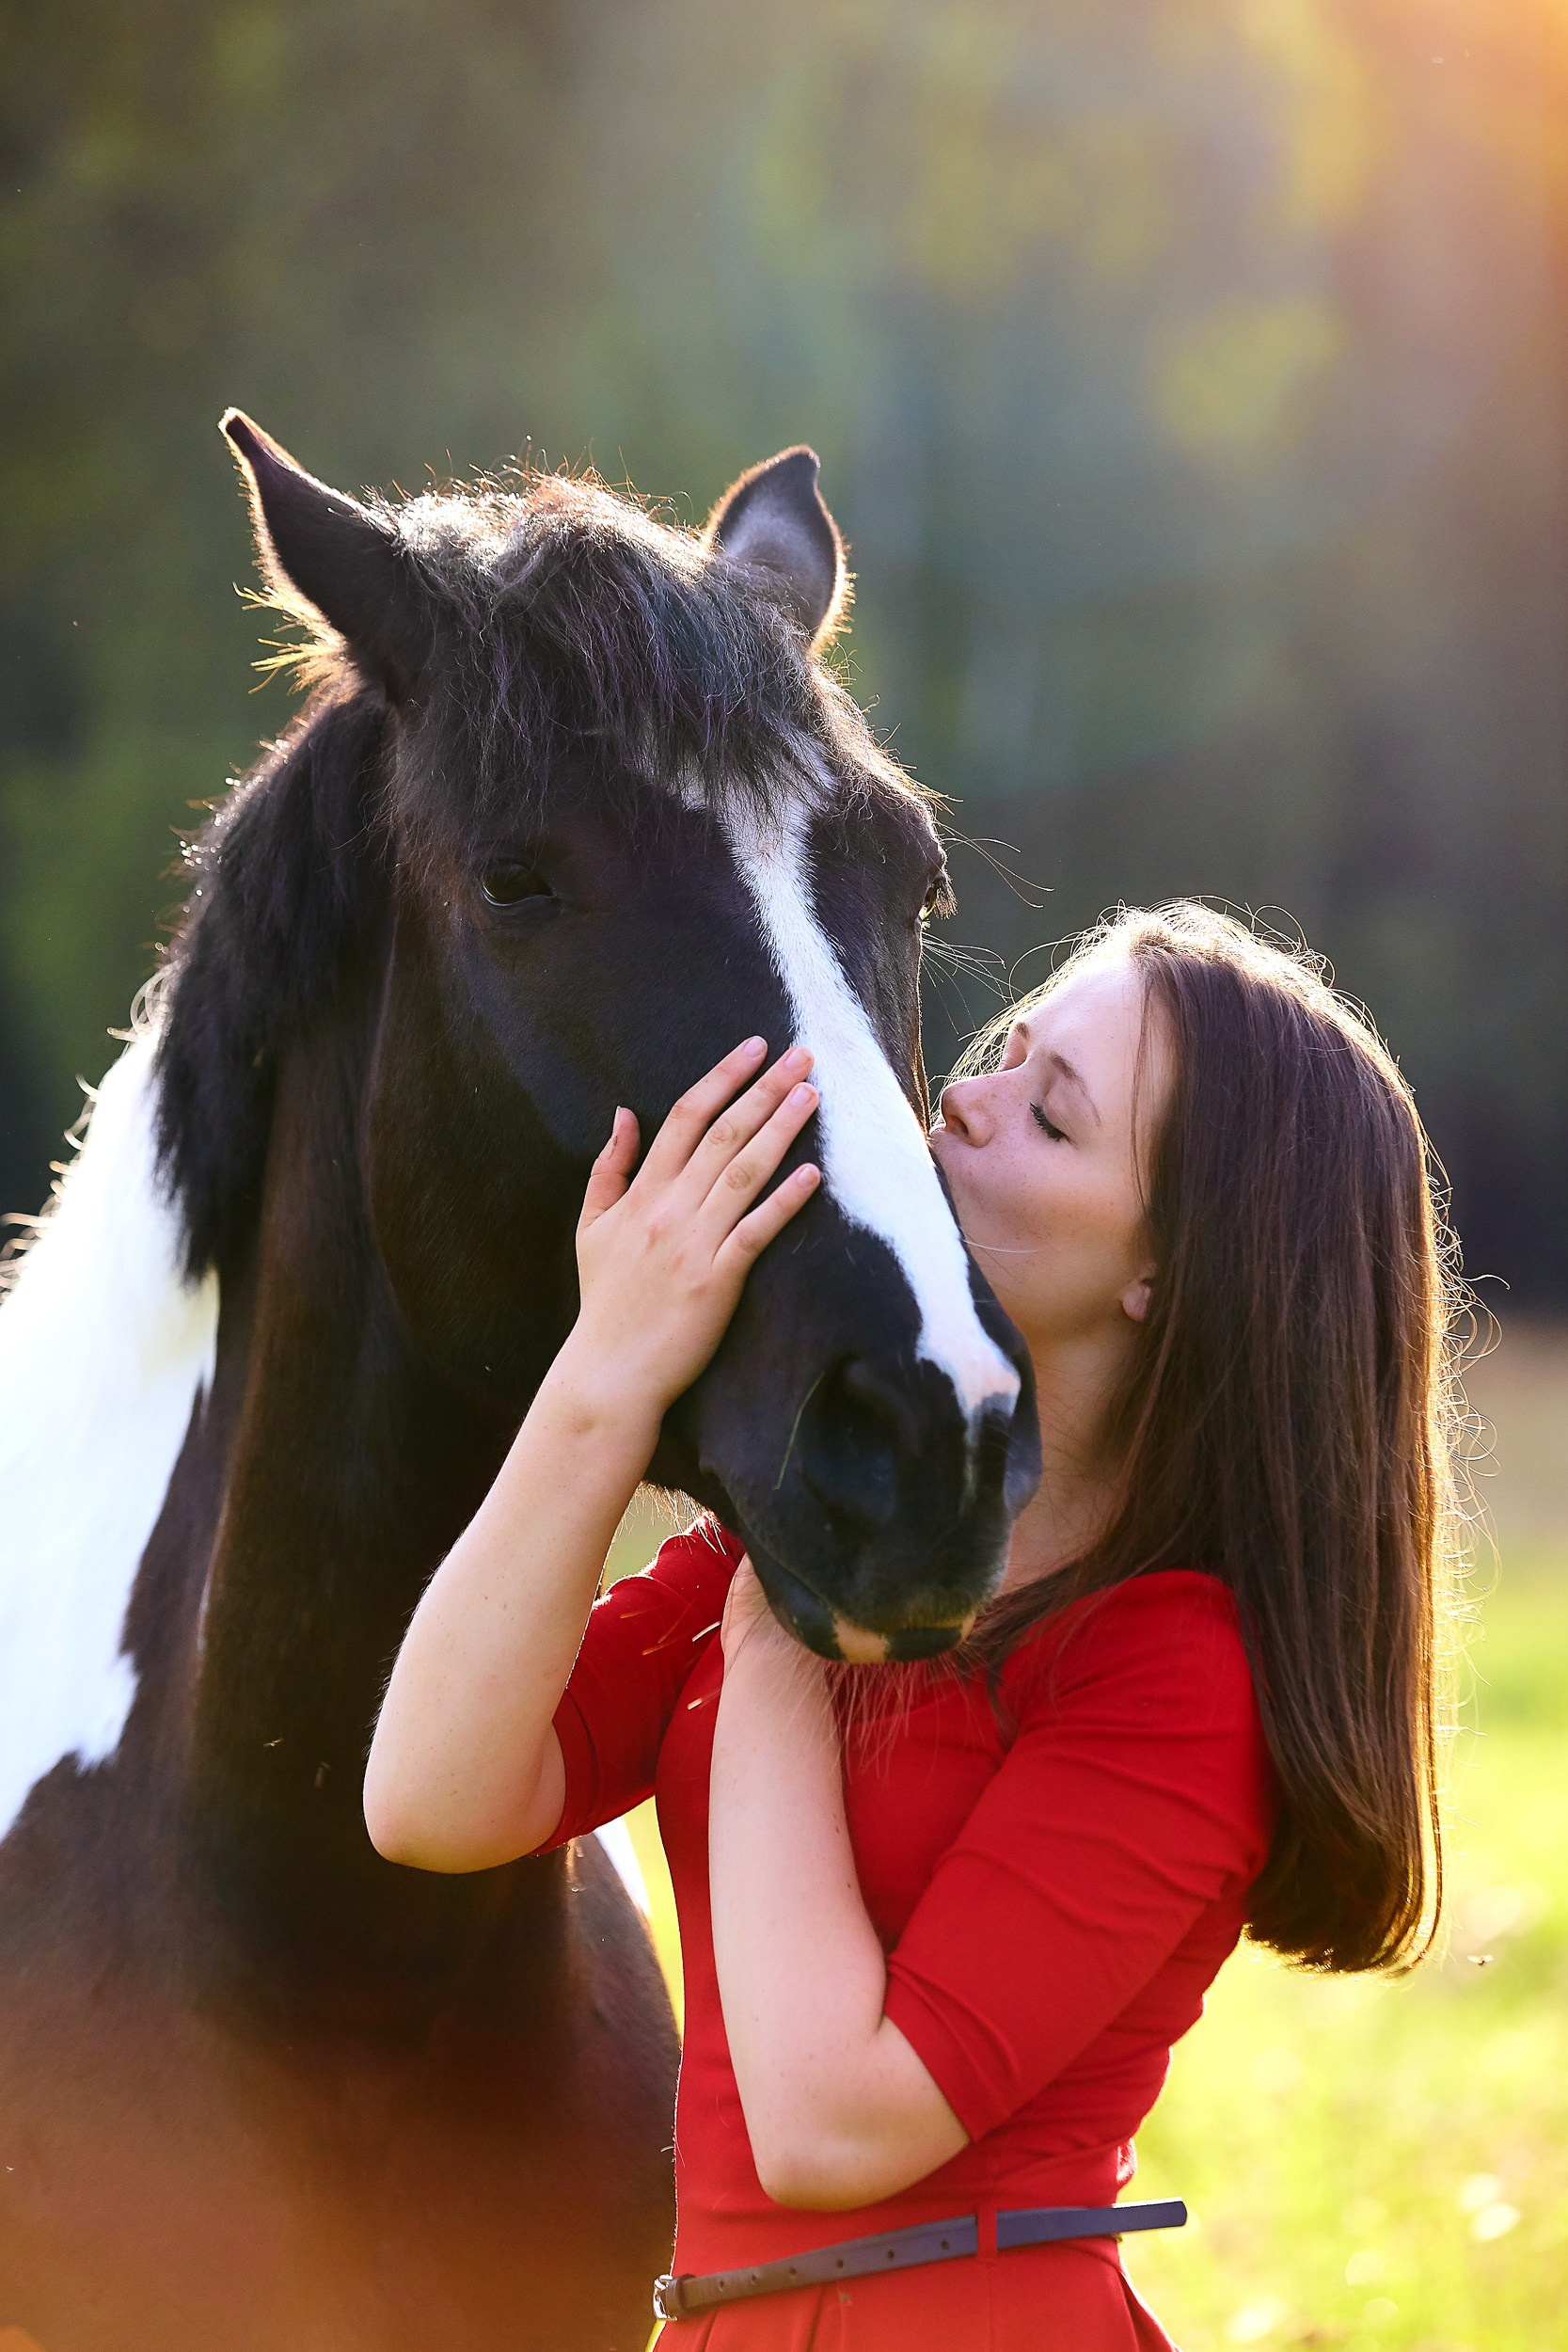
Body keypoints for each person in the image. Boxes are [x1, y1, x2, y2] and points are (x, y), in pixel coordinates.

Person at [363, 901, 1463, 2349]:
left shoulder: (1173, 1668)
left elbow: (834, 2120)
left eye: (1051, 1117)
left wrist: (774, 1625)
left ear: (1166, 1274)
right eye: (1006, 1052)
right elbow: (429, 1797)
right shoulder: (802, 1532)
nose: (961, 1095)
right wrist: (607, 1373)